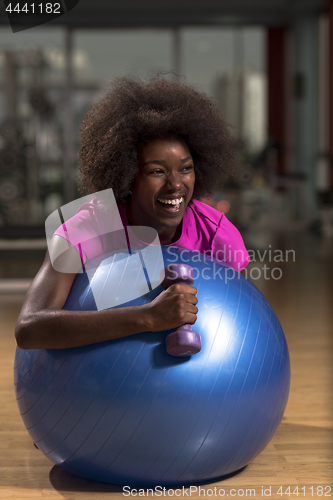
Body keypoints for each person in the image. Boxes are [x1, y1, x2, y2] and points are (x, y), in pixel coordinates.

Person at [15, 76, 250, 350]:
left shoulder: (215, 234)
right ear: (127, 176)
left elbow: (244, 322)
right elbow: (29, 328)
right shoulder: (88, 228)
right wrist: (147, 317)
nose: (175, 184)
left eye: (185, 168)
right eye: (157, 171)